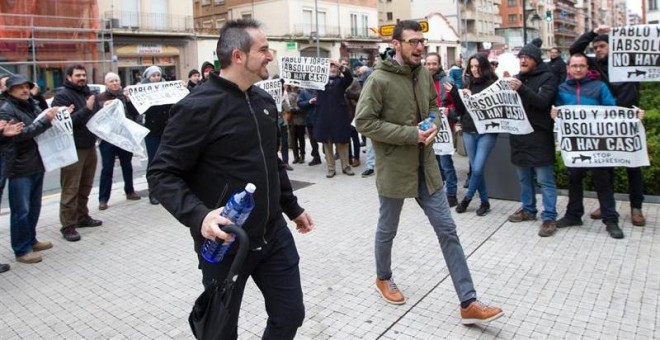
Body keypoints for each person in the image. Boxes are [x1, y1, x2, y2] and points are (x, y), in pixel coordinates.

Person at [147, 19, 314, 339]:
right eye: (263, 49)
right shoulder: (197, 107)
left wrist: (292, 208)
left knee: (290, 314)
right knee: (219, 331)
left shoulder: (264, 101)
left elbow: (271, 162)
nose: (270, 56)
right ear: (238, 56)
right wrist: (200, 215)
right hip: (225, 242)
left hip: (272, 233)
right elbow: (161, 174)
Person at [355, 20, 503, 325]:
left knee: (448, 230)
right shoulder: (378, 79)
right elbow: (364, 122)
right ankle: (383, 277)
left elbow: (435, 106)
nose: (420, 47)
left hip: (427, 168)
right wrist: (411, 134)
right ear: (396, 44)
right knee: (388, 229)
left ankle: (468, 301)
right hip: (395, 168)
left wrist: (434, 122)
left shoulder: (423, 73)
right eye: (413, 42)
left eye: (422, 41)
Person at [570, 25, 646, 227]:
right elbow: (574, 50)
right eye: (596, 47)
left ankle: (636, 207)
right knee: (606, 166)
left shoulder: (629, 62)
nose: (598, 50)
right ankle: (606, 205)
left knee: (633, 166)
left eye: (602, 46)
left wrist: (622, 34)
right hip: (604, 123)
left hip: (629, 120)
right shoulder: (595, 65)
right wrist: (593, 33)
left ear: (614, 46)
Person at [552, 53, 623, 239]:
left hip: (598, 144)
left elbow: (612, 111)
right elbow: (559, 113)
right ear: (568, 68)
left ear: (587, 68)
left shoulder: (599, 87)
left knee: (603, 180)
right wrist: (555, 115)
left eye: (581, 66)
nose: (577, 69)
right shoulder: (561, 89)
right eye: (574, 66)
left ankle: (610, 219)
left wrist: (633, 117)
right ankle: (573, 215)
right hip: (574, 144)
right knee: (574, 179)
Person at [0, 75, 58, 263]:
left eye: (26, 86)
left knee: (34, 206)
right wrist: (45, 122)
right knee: (21, 210)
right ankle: (21, 249)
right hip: (19, 166)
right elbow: (18, 135)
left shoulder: (31, 104)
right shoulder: (6, 110)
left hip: (37, 162)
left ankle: (31, 239)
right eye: (19, 87)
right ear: (9, 91)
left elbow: (41, 121)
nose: (25, 90)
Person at [507, 39, 559, 237]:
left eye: (527, 57)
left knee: (545, 179)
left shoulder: (548, 77)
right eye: (521, 57)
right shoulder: (517, 78)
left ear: (536, 60)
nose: (523, 60)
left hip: (539, 135)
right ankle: (528, 209)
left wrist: (521, 88)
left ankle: (549, 217)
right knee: (524, 177)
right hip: (520, 136)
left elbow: (542, 102)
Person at [52, 64, 103, 242]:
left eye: (83, 75)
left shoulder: (88, 94)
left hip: (90, 147)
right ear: (68, 77)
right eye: (78, 75)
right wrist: (86, 110)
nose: (82, 78)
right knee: (71, 188)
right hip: (72, 149)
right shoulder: (62, 97)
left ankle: (82, 216)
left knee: (85, 186)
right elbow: (63, 124)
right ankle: (67, 225)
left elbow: (96, 117)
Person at [445, 54, 499, 216]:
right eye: (472, 67)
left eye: (478, 66)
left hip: (487, 131)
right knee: (476, 168)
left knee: (477, 168)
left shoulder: (493, 84)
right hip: (469, 130)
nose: (475, 70)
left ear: (484, 67)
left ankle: (467, 199)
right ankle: (484, 201)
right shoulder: (468, 83)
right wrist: (457, 93)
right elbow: (461, 110)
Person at [96, 72, 142, 210]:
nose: (115, 83)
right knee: (107, 168)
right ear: (106, 84)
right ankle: (103, 199)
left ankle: (130, 191)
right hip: (108, 138)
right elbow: (96, 117)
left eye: (116, 80)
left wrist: (129, 101)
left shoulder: (125, 96)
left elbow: (135, 113)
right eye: (111, 81)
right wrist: (103, 106)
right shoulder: (100, 98)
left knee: (127, 165)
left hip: (125, 136)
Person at [425, 52, 459, 207]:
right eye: (428, 63)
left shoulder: (447, 82)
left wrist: (448, 111)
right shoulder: (421, 81)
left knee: (445, 162)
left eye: (434, 63)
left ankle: (451, 194)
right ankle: (440, 190)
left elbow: (456, 104)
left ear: (439, 65)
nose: (431, 66)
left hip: (444, 128)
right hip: (428, 126)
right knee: (435, 162)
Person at [314, 59, 355, 178]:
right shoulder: (319, 82)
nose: (332, 70)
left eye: (334, 68)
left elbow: (349, 77)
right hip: (324, 117)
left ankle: (346, 167)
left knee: (342, 143)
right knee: (327, 144)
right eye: (330, 68)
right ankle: (331, 169)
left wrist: (340, 65)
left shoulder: (342, 81)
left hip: (339, 117)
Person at [140, 65, 172, 205]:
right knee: (153, 161)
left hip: (166, 130)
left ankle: (166, 190)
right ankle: (153, 192)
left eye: (158, 75)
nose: (156, 78)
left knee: (167, 160)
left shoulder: (166, 88)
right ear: (148, 77)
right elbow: (135, 109)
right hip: (151, 131)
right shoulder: (141, 90)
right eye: (153, 76)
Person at [342, 57, 362, 167]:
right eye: (342, 64)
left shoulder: (354, 81)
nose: (343, 66)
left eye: (345, 64)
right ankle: (348, 157)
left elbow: (359, 95)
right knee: (346, 138)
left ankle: (357, 158)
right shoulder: (338, 79)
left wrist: (348, 93)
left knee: (354, 137)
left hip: (353, 113)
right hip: (342, 113)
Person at [297, 88, 321, 166]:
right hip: (310, 118)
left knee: (325, 138)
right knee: (313, 139)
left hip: (321, 118)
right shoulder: (304, 91)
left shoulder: (321, 88)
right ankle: (316, 157)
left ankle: (328, 155)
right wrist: (310, 102)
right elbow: (300, 104)